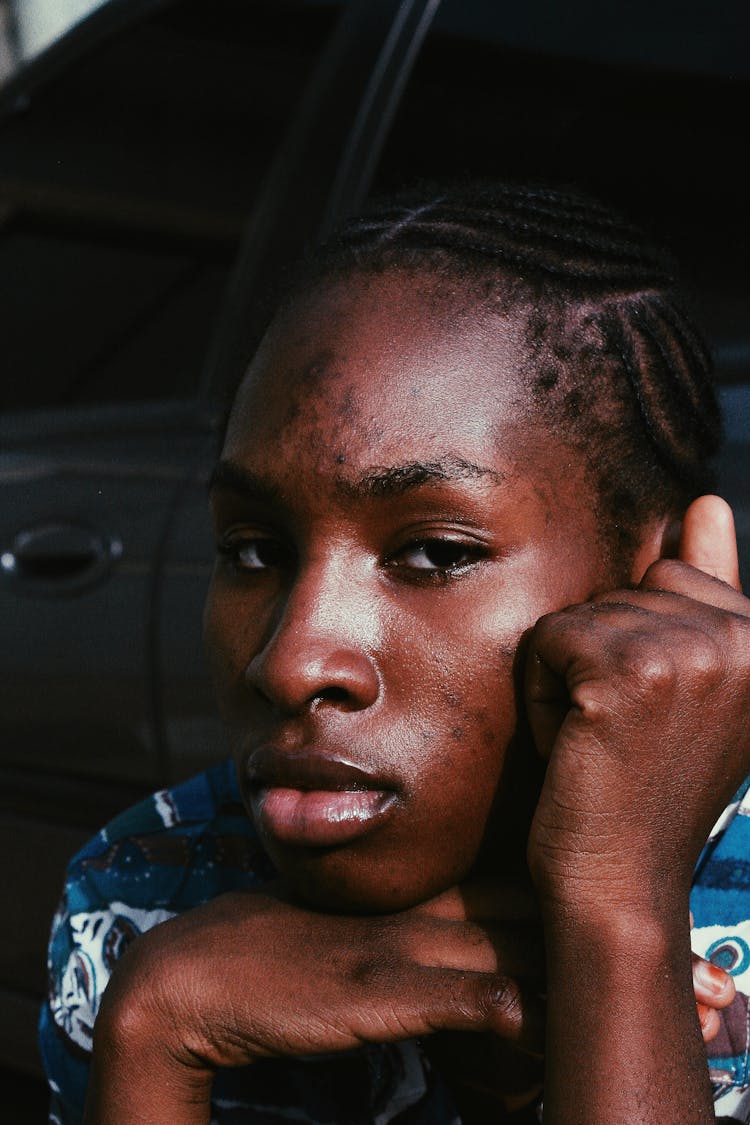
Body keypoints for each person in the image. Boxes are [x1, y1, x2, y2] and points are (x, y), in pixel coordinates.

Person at [39, 179, 750, 1124]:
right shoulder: (140, 890)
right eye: (254, 550)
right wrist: (155, 1033)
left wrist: (619, 911)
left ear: (663, 580)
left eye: (435, 553)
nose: (292, 663)